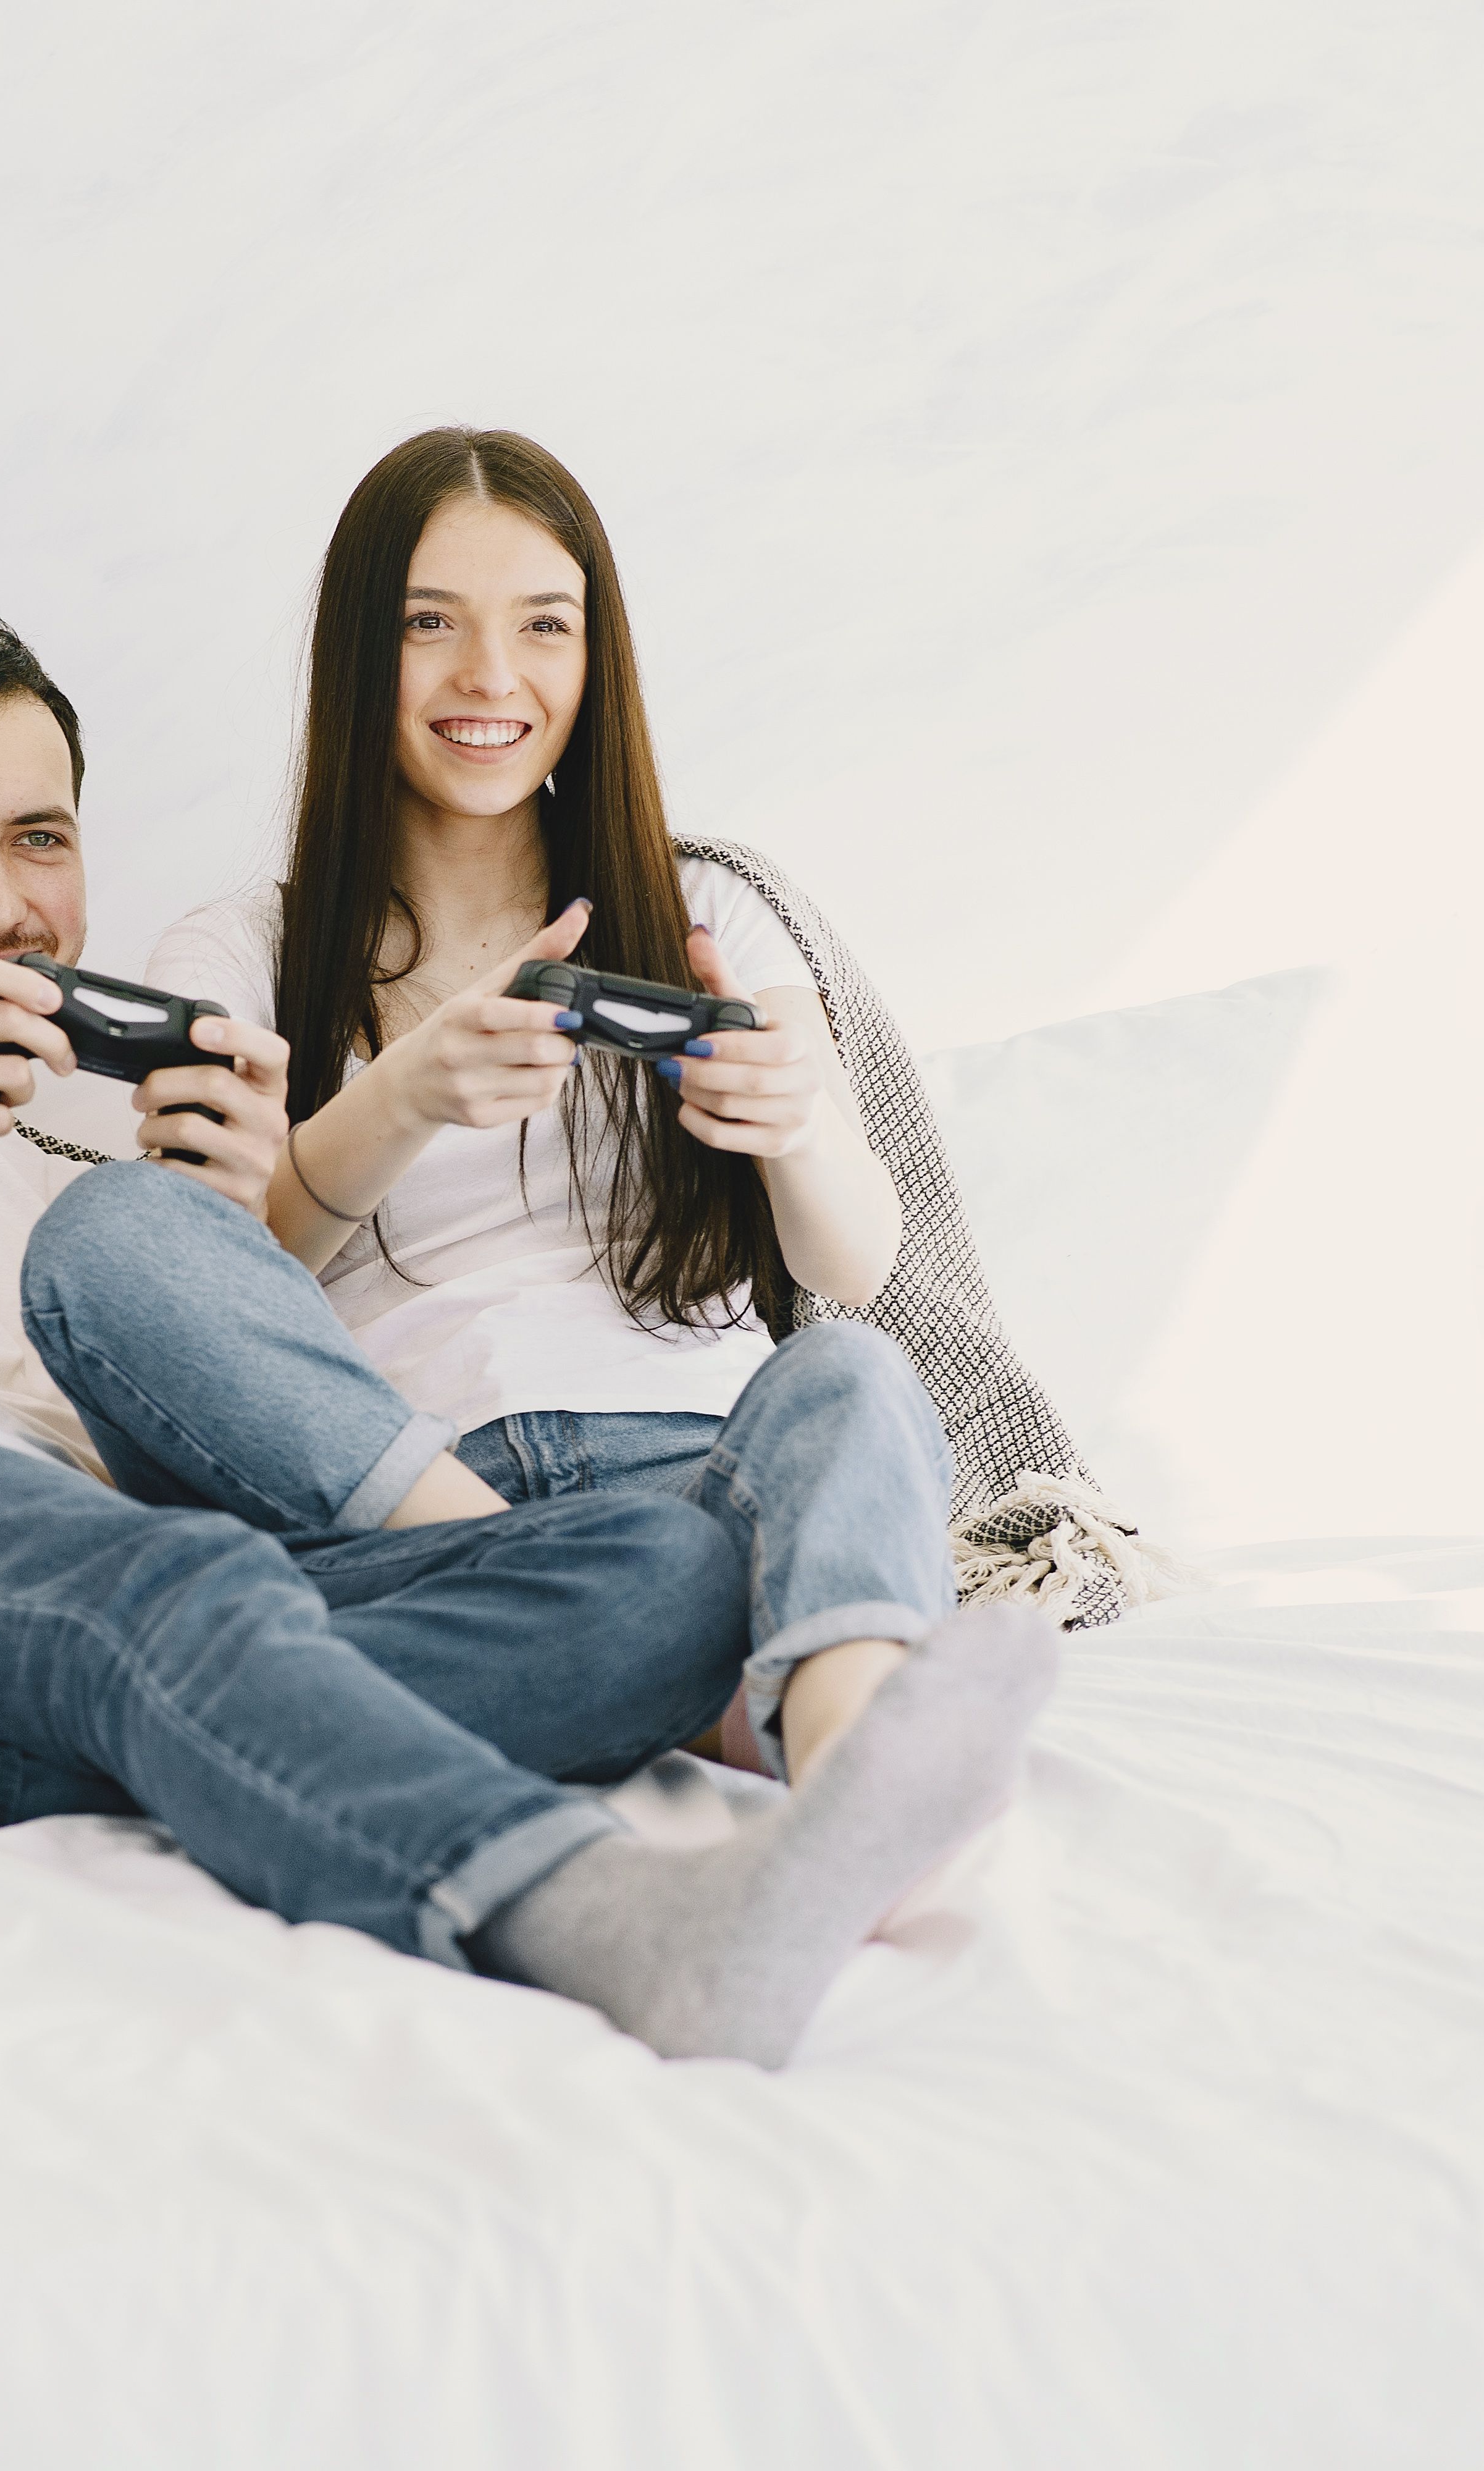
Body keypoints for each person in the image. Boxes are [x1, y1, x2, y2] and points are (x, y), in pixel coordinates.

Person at [0, 596, 1059, 2068]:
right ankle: (605, 1920)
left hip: (101, 1587)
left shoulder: (101, 1141)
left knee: (668, 1579)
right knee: (166, 1586)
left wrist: (233, 1218)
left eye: (37, 839)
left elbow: (209, 1424)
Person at [145, 428, 961, 1788]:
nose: (491, 678)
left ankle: (851, 1786)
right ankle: (724, 1688)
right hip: (428, 1508)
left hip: (708, 1471)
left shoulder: (710, 914)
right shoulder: (233, 955)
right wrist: (404, 1094)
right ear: (357, 654)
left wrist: (796, 1121)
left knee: (857, 1380)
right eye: (428, 624)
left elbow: (855, 1263)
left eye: (544, 626)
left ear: (597, 659)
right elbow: (193, 1300)